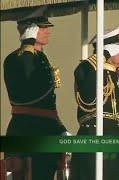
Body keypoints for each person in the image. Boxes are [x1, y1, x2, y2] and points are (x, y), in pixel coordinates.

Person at [3, 10, 69, 180]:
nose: (48, 31)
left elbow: (48, 102)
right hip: (26, 128)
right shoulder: (16, 59)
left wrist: (59, 127)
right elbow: (27, 81)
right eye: (42, 27)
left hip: (46, 129)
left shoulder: (41, 58)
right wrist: (28, 44)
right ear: (30, 30)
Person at [70, 27, 119, 180]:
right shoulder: (89, 69)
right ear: (108, 51)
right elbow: (87, 89)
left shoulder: (115, 74)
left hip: (114, 136)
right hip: (95, 134)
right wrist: (99, 58)